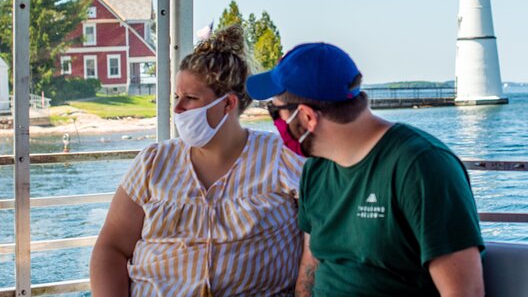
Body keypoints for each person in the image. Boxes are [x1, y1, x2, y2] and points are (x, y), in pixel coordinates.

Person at [246, 42, 485, 297]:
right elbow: (312, 263)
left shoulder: (423, 167)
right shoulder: (315, 170)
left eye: (275, 110)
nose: (276, 122)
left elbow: (465, 292)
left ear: (306, 117)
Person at [90, 25, 304, 296]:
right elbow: (112, 248)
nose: (177, 109)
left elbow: (320, 244)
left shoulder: (282, 159)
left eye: (190, 98)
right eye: (177, 97)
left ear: (228, 104)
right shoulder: (153, 163)